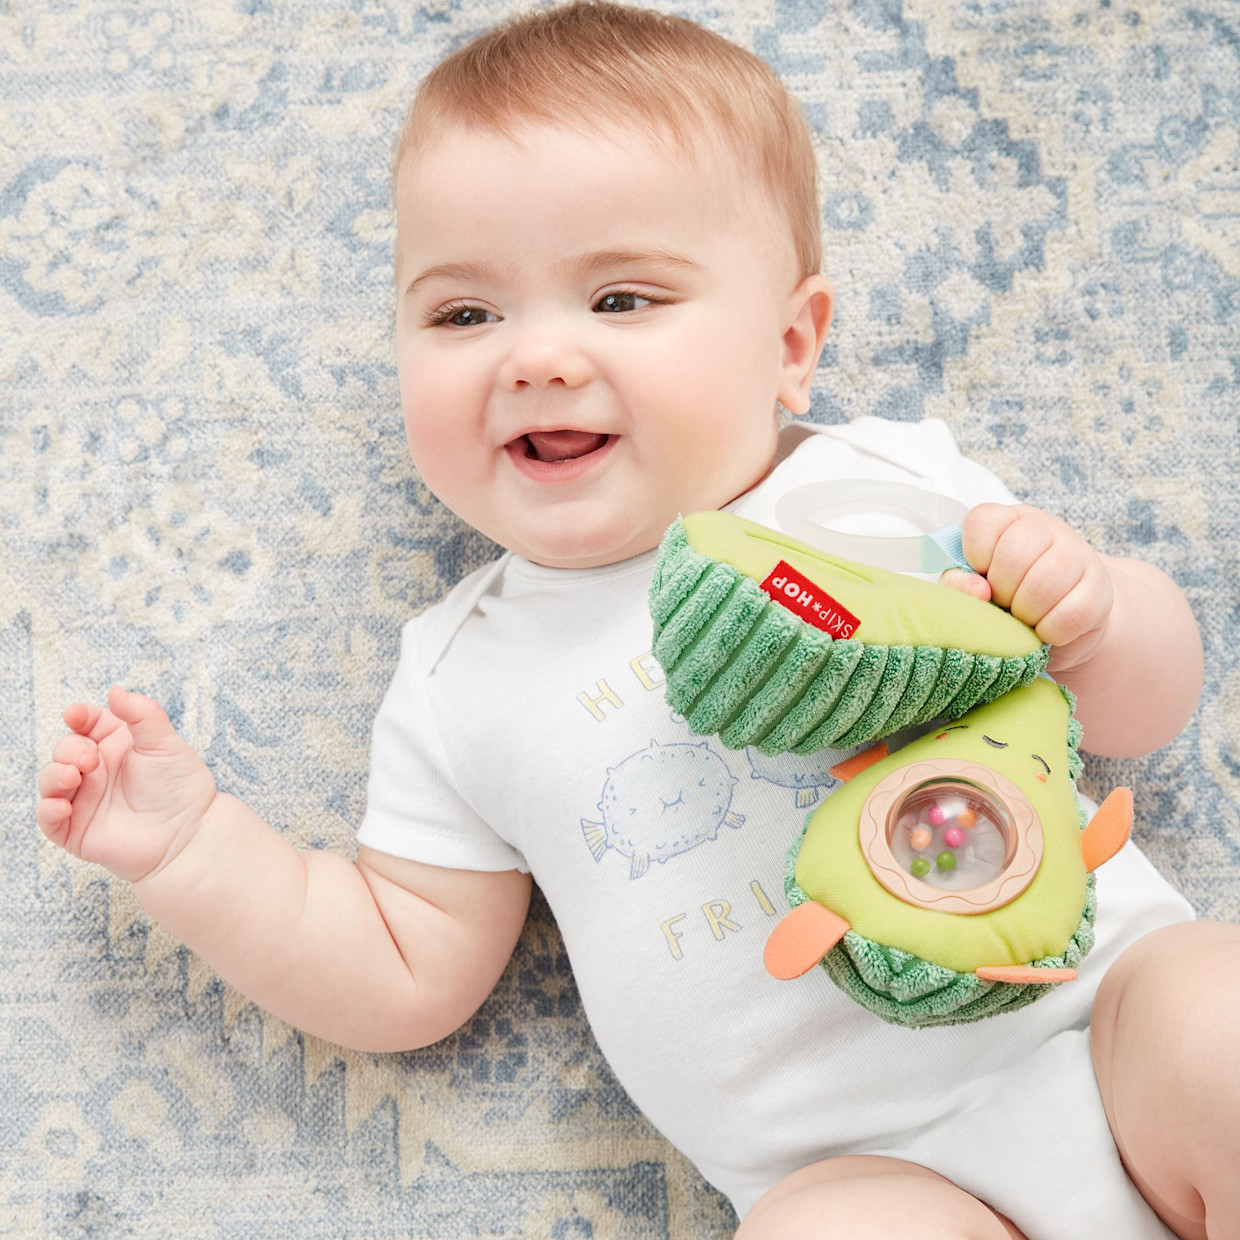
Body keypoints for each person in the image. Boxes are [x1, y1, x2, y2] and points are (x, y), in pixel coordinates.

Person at [34, 4, 1238, 1237]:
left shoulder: (884, 485)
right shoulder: (459, 675)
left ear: (789, 345)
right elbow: (404, 965)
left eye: (619, 297)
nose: (537, 358)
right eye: (463, 315)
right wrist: (193, 856)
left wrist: (1087, 615)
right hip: (851, 1167)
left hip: (1096, 1012)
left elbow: (1148, 709)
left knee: (1218, 1015)